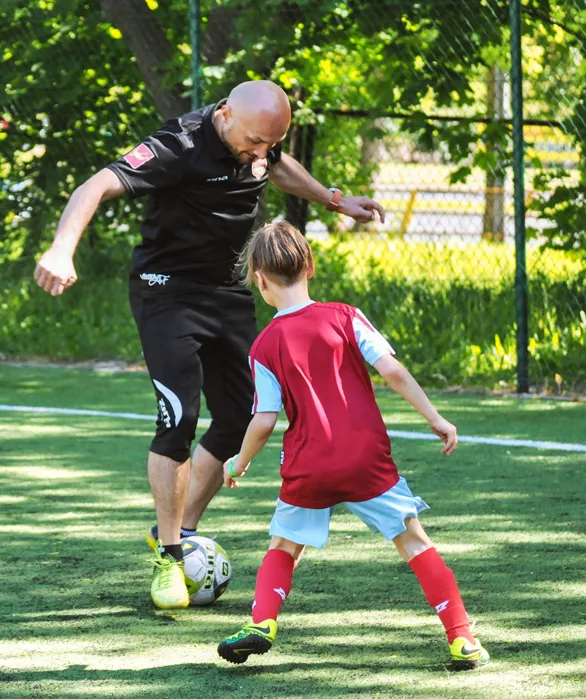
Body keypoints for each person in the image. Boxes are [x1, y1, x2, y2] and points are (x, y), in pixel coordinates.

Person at [33, 81, 386, 610]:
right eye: (253, 142)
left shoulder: (259, 140)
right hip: (166, 292)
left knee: (247, 414)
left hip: (226, 291)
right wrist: (63, 249)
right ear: (223, 116)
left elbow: (280, 166)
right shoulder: (178, 146)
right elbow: (93, 187)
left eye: (269, 143)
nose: (259, 154)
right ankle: (170, 559)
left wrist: (336, 201)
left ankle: (179, 529)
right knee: (178, 417)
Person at [214, 221, 490, 670]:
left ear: (259, 280)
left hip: (309, 465)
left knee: (284, 547)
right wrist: (434, 418)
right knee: (415, 543)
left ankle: (261, 623)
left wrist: (239, 462)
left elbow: (264, 420)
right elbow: (393, 371)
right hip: (366, 460)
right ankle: (462, 638)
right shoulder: (345, 316)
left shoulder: (264, 346)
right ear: (311, 266)